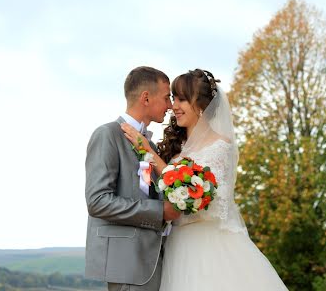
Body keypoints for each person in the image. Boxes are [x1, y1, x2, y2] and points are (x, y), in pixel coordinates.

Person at [122, 68, 289, 291]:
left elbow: (204, 202)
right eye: (173, 99)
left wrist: (152, 157)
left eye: (182, 99)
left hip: (209, 247)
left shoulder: (220, 146)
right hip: (177, 248)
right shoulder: (175, 151)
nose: (174, 106)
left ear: (201, 105)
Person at [85, 66, 180, 291]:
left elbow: (144, 190)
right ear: (146, 98)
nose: (170, 105)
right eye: (167, 97)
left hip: (151, 261)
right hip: (126, 263)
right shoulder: (107, 135)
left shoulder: (151, 146)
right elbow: (97, 202)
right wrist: (160, 212)